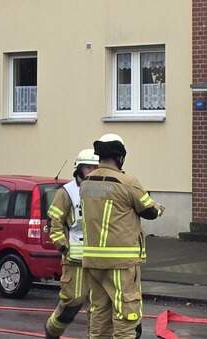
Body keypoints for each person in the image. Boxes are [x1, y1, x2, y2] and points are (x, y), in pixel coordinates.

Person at [81, 133, 164, 339]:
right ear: (120, 156)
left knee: (99, 315)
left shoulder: (86, 183)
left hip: (93, 262)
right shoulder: (127, 182)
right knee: (126, 318)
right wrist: (159, 207)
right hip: (120, 263)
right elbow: (150, 211)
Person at [44, 148, 100, 339]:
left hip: (99, 258)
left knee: (98, 306)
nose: (92, 172)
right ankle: (52, 331)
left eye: (96, 168)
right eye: (88, 168)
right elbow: (54, 222)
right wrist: (62, 245)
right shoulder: (67, 192)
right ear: (79, 168)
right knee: (72, 303)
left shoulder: (102, 190)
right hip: (74, 259)